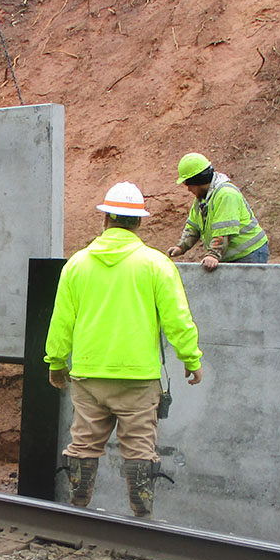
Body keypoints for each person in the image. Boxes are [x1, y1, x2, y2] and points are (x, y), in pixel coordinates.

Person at [44, 181, 203, 518]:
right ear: (139, 223)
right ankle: (140, 516)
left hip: (89, 375)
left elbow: (61, 322)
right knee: (140, 450)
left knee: (84, 444)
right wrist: (191, 358)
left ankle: (78, 507)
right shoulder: (156, 264)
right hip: (138, 378)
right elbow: (178, 318)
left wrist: (56, 361)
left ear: (105, 220)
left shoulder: (77, 264)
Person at [167, 153, 269, 271]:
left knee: (246, 289)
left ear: (197, 180)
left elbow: (225, 230)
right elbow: (193, 227)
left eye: (188, 184)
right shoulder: (202, 199)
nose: (188, 189)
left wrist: (213, 254)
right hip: (232, 255)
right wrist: (181, 247)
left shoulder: (226, 194)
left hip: (250, 253)